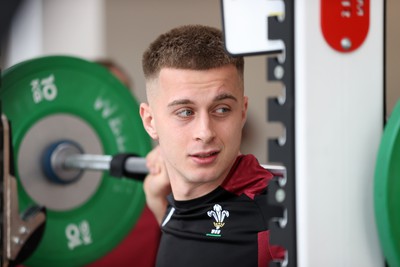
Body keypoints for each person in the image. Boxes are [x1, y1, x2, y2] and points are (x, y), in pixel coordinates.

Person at [139, 25, 285, 267]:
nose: (205, 133)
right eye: (185, 112)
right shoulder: (173, 207)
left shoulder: (275, 214)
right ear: (150, 121)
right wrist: (157, 201)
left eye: (222, 109)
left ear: (242, 113)